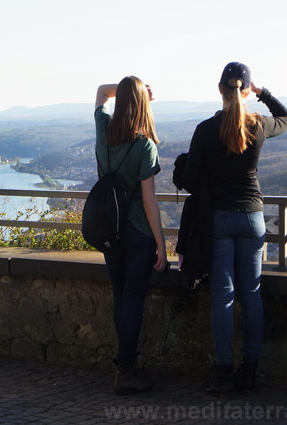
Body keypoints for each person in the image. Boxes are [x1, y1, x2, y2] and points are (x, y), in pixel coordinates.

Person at [182, 62, 287, 393]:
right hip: (252, 217)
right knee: (252, 294)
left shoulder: (204, 129)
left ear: (219, 90)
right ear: (246, 91)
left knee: (223, 296)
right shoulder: (258, 125)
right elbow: (286, 118)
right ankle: (250, 371)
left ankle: (223, 374)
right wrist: (264, 93)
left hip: (218, 218)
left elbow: (189, 182)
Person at [95, 76, 167, 395]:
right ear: (144, 105)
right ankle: (126, 371)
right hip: (138, 232)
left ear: (121, 102)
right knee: (133, 301)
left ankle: (124, 366)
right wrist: (162, 245)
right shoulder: (145, 146)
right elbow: (149, 201)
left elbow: (100, 91)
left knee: (120, 296)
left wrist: (127, 89)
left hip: (110, 232)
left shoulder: (103, 131)